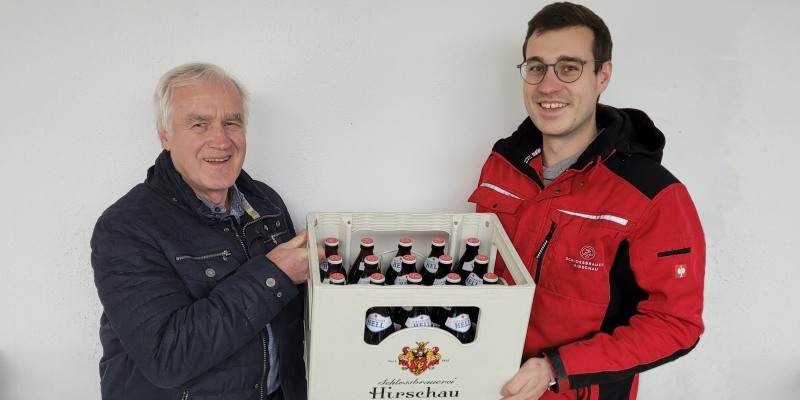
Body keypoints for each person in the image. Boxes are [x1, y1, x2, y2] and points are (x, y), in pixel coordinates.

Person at [467, 3, 705, 399]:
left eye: (569, 68)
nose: (548, 86)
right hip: (483, 385)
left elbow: (675, 323)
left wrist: (555, 369)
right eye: (537, 67)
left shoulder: (655, 196)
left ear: (602, 75)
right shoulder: (501, 164)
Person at [91, 62, 319, 400]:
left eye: (231, 122)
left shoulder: (266, 203)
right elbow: (167, 357)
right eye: (199, 124)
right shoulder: (125, 227)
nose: (221, 140)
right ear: (165, 135)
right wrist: (275, 275)